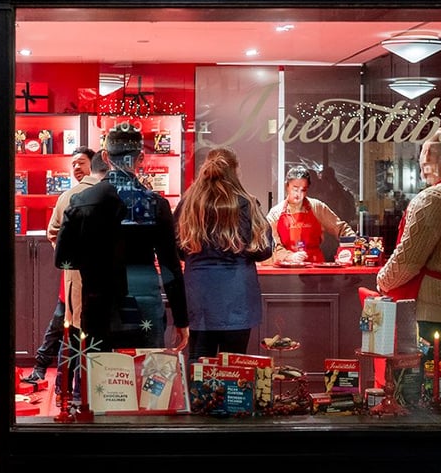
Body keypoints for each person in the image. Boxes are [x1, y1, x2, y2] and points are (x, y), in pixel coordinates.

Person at [55, 123, 189, 358]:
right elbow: (170, 267)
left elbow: (64, 259)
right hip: (145, 299)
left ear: (105, 157)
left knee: (102, 378)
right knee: (146, 379)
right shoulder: (155, 204)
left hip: (99, 303)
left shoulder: (81, 200)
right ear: (141, 158)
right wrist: (181, 318)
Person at [375, 139, 441, 365]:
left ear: (433, 160)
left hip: (429, 315)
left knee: (418, 390)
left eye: (424, 157)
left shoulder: (432, 198)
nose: (421, 164)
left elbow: (407, 261)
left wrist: (382, 280)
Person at [174, 149, 273, 358]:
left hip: (198, 294)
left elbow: (179, 250)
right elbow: (264, 250)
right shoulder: (247, 203)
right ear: (235, 171)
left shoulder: (188, 204)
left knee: (200, 363)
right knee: (235, 368)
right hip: (237, 295)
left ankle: (199, 392)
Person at [22, 147, 98, 384]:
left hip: (82, 277)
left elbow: (54, 232)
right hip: (75, 277)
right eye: (73, 163)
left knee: (64, 326)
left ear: (93, 165)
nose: (76, 167)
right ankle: (58, 381)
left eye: (81, 163)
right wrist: (65, 256)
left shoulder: (96, 193)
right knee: (65, 325)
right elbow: (53, 232)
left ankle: (51, 375)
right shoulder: (69, 195)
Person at [265, 165, 356, 264]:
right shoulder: (275, 213)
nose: (298, 194)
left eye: (303, 190)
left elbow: (341, 229)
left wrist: (354, 246)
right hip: (286, 271)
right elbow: (272, 245)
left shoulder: (317, 207)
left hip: (315, 269)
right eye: (295, 189)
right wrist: (289, 256)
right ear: (287, 186)